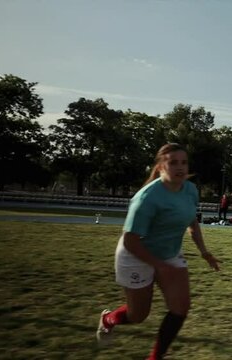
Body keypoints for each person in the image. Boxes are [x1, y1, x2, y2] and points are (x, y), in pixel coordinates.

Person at [95, 143, 221, 359]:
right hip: (135, 256)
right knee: (138, 316)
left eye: (184, 162)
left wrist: (204, 251)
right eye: (173, 163)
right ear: (161, 166)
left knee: (181, 308)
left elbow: (192, 221)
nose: (180, 167)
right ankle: (108, 320)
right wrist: (160, 266)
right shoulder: (147, 198)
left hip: (169, 254)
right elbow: (130, 240)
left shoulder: (190, 190)